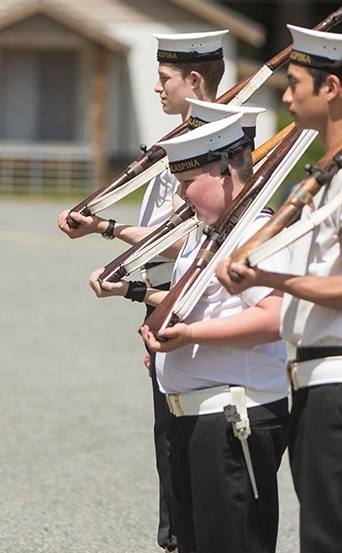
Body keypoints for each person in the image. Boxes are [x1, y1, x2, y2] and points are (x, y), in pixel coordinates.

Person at [217, 26, 342, 553]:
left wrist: (264, 277)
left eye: (294, 83)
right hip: (321, 385)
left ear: (330, 88)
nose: (284, 95)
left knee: (335, 543)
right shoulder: (333, 176)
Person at [57, 31, 230, 552]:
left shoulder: (217, 153)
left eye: (165, 78)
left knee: (203, 498)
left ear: (194, 80)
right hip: (167, 325)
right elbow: (165, 241)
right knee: (174, 482)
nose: (156, 88)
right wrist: (104, 230)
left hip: (202, 334)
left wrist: (107, 232)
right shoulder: (177, 147)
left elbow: (179, 248)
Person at [91, 113, 290, 553]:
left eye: (187, 181)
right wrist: (142, 305)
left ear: (222, 174)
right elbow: (197, 304)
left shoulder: (254, 231)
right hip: (196, 417)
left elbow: (274, 318)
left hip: (233, 418)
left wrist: (192, 335)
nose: (180, 193)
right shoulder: (210, 232)